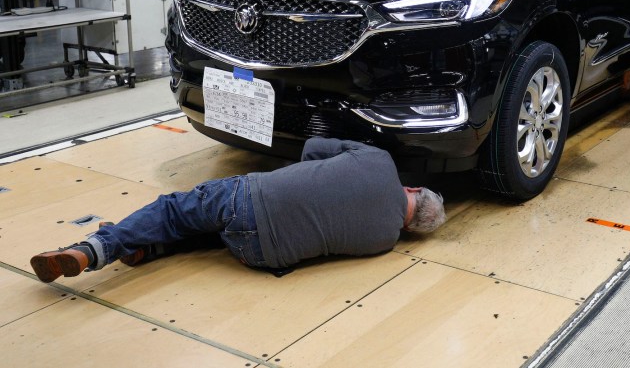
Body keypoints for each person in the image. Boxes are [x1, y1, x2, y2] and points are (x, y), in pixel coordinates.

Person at [30, 137, 447, 283]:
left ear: (412, 188)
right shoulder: (384, 243)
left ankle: (93, 249)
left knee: (174, 209)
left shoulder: (380, 162)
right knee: (213, 230)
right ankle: (144, 250)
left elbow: (310, 152)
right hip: (262, 256)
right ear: (411, 230)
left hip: (251, 200)